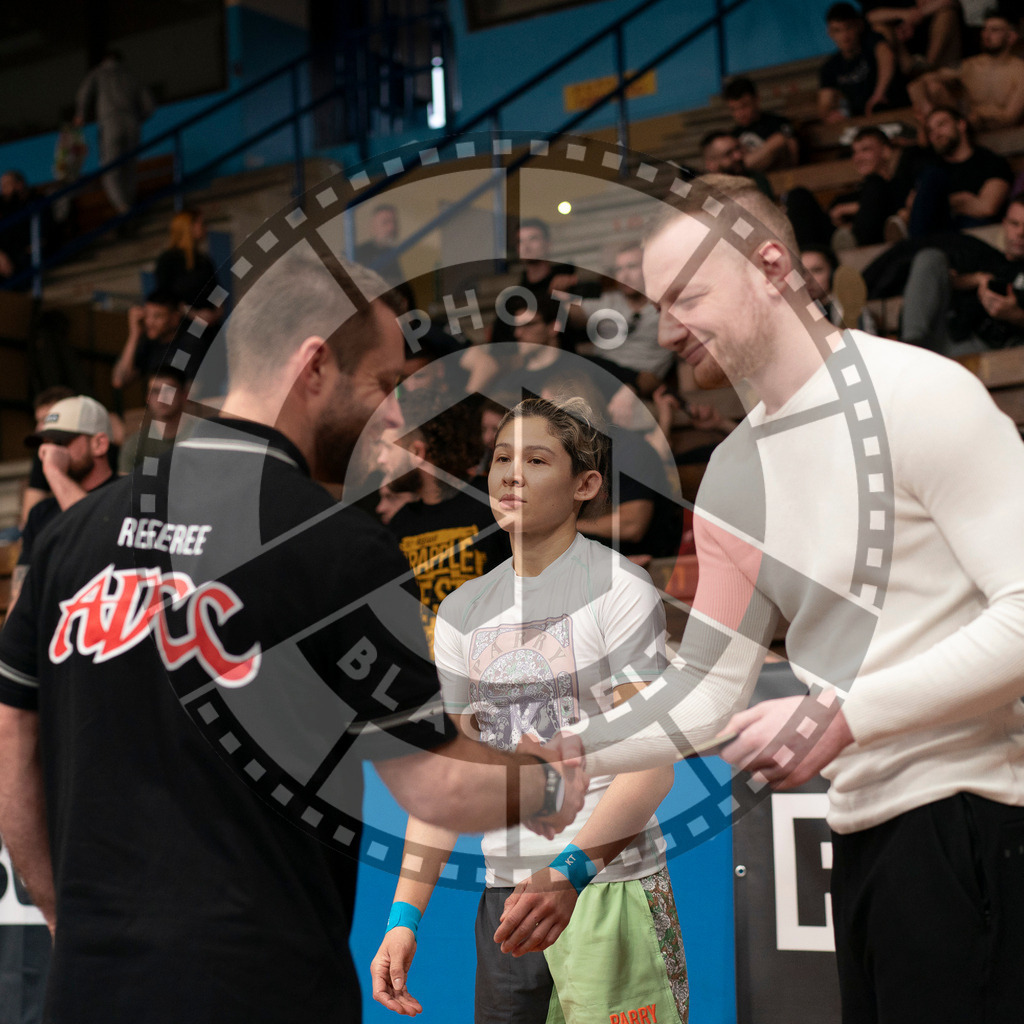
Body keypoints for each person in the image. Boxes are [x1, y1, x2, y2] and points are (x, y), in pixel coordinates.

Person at [0, 246, 587, 1024]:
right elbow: (438, 783)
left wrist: (61, 917)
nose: (390, 413)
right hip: (260, 984)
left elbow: (13, 746)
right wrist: (547, 781)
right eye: (381, 385)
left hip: (88, 987)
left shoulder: (73, 534)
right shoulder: (335, 547)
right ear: (315, 367)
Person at [556, 173, 1024, 1024]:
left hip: (977, 817)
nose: (668, 328)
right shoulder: (733, 476)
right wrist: (578, 747)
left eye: (687, 294)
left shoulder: (920, 394)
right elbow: (706, 689)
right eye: (658, 304)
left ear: (772, 266)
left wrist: (842, 714)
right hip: (856, 833)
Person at [371, 396, 688, 1024]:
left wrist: (568, 872)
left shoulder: (621, 589)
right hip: (505, 903)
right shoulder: (462, 612)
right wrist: (404, 916)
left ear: (585, 485)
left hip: (607, 887)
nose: (511, 475)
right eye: (501, 458)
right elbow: (451, 784)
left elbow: (653, 767)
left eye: (536, 459)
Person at [384, 394, 511, 655]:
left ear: (417, 452)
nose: (381, 461)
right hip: (433, 681)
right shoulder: (399, 526)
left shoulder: (492, 503)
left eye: (387, 449)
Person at [11, 395, 115, 610]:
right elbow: (19, 598)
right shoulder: (41, 513)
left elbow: (100, 536)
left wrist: (53, 471)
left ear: (99, 444)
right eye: (45, 443)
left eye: (60, 442)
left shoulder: (126, 495)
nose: (48, 453)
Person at [898, 191, 1024, 352]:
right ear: (1005, 224)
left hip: (991, 348)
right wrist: (973, 280)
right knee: (931, 257)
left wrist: (1016, 315)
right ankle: (910, 348)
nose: (1020, 233)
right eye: (1015, 224)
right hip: (944, 334)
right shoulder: (983, 255)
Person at [901, 104, 1013, 235]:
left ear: (961, 124)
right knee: (932, 175)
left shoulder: (990, 161)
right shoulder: (931, 170)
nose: (935, 134)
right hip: (937, 230)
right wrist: (962, 201)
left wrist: (939, 203)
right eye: (930, 131)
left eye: (941, 124)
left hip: (975, 230)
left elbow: (987, 207)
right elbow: (913, 206)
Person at [908, 8, 1024, 128]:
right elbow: (915, 85)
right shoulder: (969, 66)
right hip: (964, 126)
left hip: (997, 127)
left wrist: (979, 116)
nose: (986, 35)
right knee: (933, 87)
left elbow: (1010, 118)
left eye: (994, 30)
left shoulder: (1020, 71)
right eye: (984, 29)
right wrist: (929, 111)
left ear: (1011, 37)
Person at [74, 49, 154, 219]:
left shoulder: (99, 73)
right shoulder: (131, 76)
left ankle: (122, 207)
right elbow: (149, 106)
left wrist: (80, 113)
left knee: (110, 168)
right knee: (130, 166)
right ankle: (129, 205)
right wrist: (136, 119)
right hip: (132, 123)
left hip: (110, 123)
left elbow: (84, 92)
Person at [818, 3, 906, 121]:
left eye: (848, 28)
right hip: (861, 121)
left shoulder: (872, 42)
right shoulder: (830, 66)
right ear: (830, 32)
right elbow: (825, 103)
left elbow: (887, 56)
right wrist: (830, 114)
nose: (844, 36)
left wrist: (878, 95)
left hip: (894, 111)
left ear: (859, 26)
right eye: (837, 30)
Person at [153, 208, 222, 325]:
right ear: (189, 226)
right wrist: (194, 315)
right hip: (185, 327)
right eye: (202, 223)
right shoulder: (168, 260)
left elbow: (217, 291)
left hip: (211, 325)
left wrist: (216, 314)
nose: (205, 228)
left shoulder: (204, 260)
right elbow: (166, 297)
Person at [118, 369, 192, 473]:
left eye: (169, 390)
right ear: (147, 397)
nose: (162, 397)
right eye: (155, 391)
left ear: (184, 395)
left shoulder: (201, 435)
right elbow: (124, 487)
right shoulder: (135, 443)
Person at [862, 0, 962, 76]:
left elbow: (949, 1)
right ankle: (911, 69)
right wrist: (903, 15)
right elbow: (870, 16)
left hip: (934, 43)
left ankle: (928, 66)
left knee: (948, 14)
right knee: (880, 28)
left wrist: (916, 16)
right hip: (902, 48)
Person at [112, 288, 187, 388]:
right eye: (147, 315)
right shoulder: (149, 344)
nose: (149, 322)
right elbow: (119, 381)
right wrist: (134, 335)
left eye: (157, 316)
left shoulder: (189, 345)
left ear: (175, 318)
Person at [722, 76, 798, 173]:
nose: (740, 114)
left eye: (744, 106)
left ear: (756, 100)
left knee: (779, 140)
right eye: (734, 109)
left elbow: (792, 152)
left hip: (780, 174)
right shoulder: (734, 135)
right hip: (748, 181)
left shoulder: (778, 122)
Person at [700, 130, 777, 200]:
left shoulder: (757, 179)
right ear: (711, 164)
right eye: (729, 154)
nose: (738, 156)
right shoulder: (706, 196)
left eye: (738, 148)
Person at [354, 203, 404, 285]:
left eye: (394, 222)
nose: (391, 227)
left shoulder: (396, 253)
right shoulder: (358, 254)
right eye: (385, 222)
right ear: (373, 227)